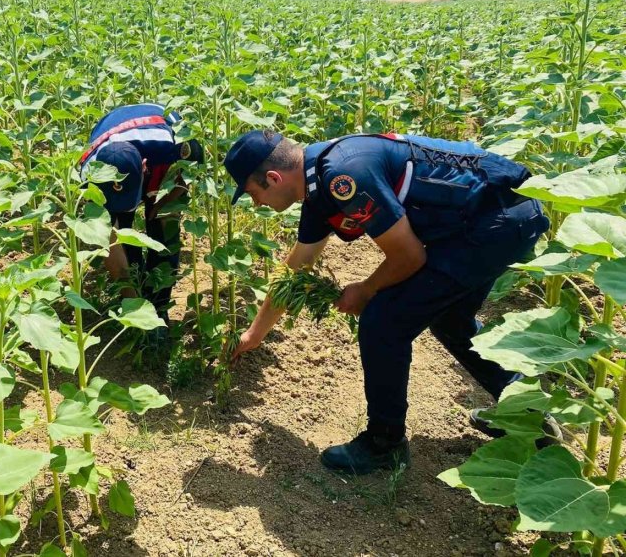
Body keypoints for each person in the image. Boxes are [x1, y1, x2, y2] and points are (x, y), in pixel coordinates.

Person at [223, 129, 554, 475]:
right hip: (493, 216)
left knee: (384, 321)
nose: (256, 204)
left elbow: (409, 256)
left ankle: (384, 443)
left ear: (273, 178)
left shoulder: (342, 175)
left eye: (251, 194)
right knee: (450, 318)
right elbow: (295, 268)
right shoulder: (317, 182)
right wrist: (255, 334)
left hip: (496, 220)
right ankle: (527, 414)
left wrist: (366, 290)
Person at [80, 103, 203, 339]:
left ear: (144, 167)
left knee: (165, 230)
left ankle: (159, 303)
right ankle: (137, 287)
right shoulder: (90, 174)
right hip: (112, 130)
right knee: (121, 234)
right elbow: (106, 240)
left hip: (162, 153)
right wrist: (132, 301)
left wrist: (160, 205)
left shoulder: (178, 145)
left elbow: (191, 174)